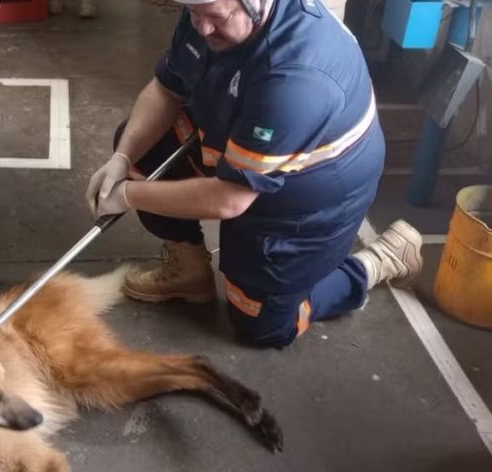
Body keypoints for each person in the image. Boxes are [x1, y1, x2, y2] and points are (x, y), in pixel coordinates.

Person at [85, 0, 424, 348]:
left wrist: (127, 195)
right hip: (250, 137)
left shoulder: (296, 77)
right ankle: (188, 272)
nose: (201, 28)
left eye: (216, 15)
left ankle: (379, 261)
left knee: (261, 326)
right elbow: (165, 88)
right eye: (193, 12)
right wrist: (123, 158)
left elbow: (230, 199)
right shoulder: (209, 15)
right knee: (145, 151)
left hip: (309, 189)